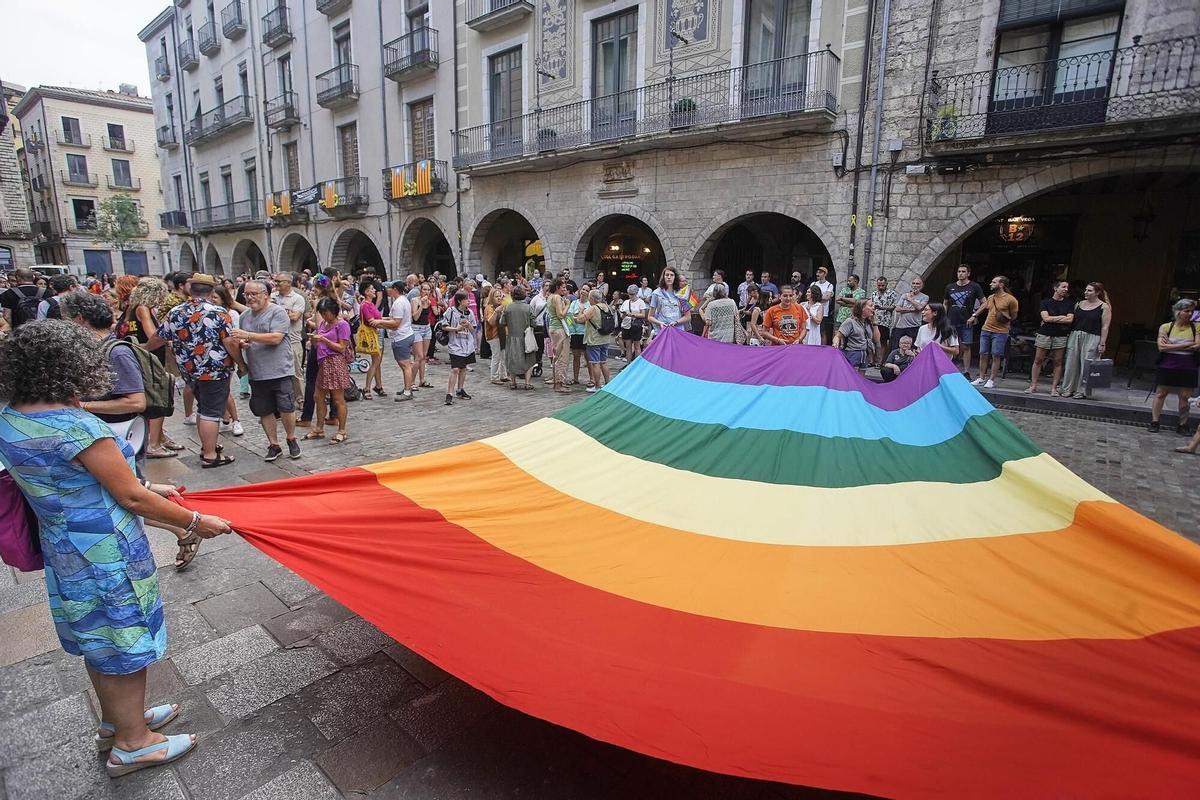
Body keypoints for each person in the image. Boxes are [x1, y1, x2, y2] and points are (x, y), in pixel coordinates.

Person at [0, 320, 233, 777]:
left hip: (65, 548)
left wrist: (149, 487)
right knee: (124, 641)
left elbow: (95, 482)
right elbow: (127, 497)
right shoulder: (76, 426)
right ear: (69, 367)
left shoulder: (12, 418)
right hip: (107, 551)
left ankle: (117, 722)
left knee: (98, 640)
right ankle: (133, 744)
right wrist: (193, 522)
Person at [144, 274, 239, 469]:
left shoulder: (176, 312)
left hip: (189, 369)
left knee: (203, 407)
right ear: (212, 291)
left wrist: (142, 350)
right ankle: (210, 455)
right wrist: (241, 363)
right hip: (215, 370)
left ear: (191, 289)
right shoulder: (218, 312)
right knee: (211, 412)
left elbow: (158, 338)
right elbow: (229, 342)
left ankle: (207, 445)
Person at [62, 292, 149, 463]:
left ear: (79, 319)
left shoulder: (117, 353)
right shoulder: (92, 349)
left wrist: (82, 405)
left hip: (121, 435)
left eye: (66, 319)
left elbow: (137, 403)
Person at [230, 280, 302, 461]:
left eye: (254, 293)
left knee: (286, 407)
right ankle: (273, 444)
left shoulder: (277, 312)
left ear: (265, 294)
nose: (250, 297)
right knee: (264, 410)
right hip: (258, 371)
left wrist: (248, 335)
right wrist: (243, 343)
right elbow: (246, 340)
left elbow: (275, 338)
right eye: (247, 294)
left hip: (280, 369)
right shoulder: (245, 316)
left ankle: (291, 438)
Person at [121, 278, 182, 459]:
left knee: (153, 398)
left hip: (141, 356)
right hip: (150, 358)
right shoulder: (143, 308)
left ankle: (160, 437)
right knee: (157, 400)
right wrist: (170, 340)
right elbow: (152, 334)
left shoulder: (132, 307)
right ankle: (153, 443)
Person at [304, 297, 352, 443]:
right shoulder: (323, 324)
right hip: (323, 362)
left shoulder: (342, 325)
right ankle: (319, 428)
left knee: (338, 399)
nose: (325, 316)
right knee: (318, 396)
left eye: (327, 313)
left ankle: (342, 430)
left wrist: (324, 340)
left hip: (335, 362)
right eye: (323, 313)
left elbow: (341, 347)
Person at [1149, 299, 1199, 434]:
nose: (1190, 314)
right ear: (1178, 312)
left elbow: (1197, 346)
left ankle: (1182, 424)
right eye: (1186, 311)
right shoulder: (1166, 327)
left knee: (1184, 396)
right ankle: (1155, 421)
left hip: (1189, 366)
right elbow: (1161, 347)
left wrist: (1170, 346)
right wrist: (1186, 344)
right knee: (1161, 393)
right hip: (1168, 365)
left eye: (1191, 311)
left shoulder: (1196, 327)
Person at [1060, 282, 1112, 399]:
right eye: (1086, 290)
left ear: (1097, 293)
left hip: (1092, 337)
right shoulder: (1079, 304)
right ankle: (1068, 389)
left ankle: (1081, 390)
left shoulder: (1104, 307)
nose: (1086, 292)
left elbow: (1105, 326)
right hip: (1076, 334)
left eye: (1089, 291)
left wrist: (1102, 343)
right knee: (1071, 362)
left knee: (1087, 364)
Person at [969, 275, 1019, 390]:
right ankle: (981, 377)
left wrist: (1006, 317)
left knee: (996, 355)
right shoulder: (991, 297)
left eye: (994, 282)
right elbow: (984, 307)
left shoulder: (1011, 299)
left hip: (1001, 331)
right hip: (986, 328)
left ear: (1001, 284)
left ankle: (991, 379)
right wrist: (974, 316)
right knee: (983, 353)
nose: (991, 284)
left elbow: (1014, 316)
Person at [1026, 280, 1074, 395]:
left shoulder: (1069, 304)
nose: (1066, 289)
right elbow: (1045, 318)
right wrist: (1061, 318)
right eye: (1063, 287)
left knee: (1058, 361)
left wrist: (1052, 318)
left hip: (1060, 335)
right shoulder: (1045, 302)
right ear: (1055, 288)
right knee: (1038, 359)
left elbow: (1070, 319)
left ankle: (1054, 388)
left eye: (1067, 287)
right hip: (1045, 333)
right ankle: (1033, 385)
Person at [373, 281, 416, 402]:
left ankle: (408, 391)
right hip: (406, 334)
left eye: (389, 288)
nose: (387, 290)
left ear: (395, 289)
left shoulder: (398, 303)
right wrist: (382, 319)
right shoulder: (403, 300)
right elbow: (394, 319)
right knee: (405, 366)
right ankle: (407, 387)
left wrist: (379, 323)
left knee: (405, 365)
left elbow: (395, 323)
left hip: (401, 336)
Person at [212, 285, 245, 438]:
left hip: (226, 356)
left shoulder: (231, 314)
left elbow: (234, 338)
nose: (212, 300)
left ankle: (235, 420)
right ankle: (225, 418)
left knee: (225, 390)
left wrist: (239, 360)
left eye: (215, 297)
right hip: (210, 357)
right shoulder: (208, 312)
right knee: (218, 391)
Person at [272, 272, 307, 405]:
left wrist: (277, 309)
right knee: (278, 373)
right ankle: (283, 401)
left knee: (297, 372)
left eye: (279, 281)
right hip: (276, 340)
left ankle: (301, 399)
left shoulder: (297, 298)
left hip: (293, 339)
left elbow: (294, 317)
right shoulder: (272, 296)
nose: (276, 284)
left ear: (288, 282)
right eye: (276, 281)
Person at [944, 264, 985, 378]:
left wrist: (974, 316)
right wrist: (944, 317)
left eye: (963, 271)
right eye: (959, 271)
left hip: (966, 321)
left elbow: (985, 302)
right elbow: (945, 303)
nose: (960, 273)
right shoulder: (950, 287)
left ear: (968, 273)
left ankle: (966, 371)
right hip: (951, 321)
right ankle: (947, 368)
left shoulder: (974, 286)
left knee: (966, 346)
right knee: (949, 345)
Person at [440, 290, 477, 405]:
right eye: (466, 299)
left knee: (463, 367)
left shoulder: (469, 312)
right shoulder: (450, 311)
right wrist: (456, 328)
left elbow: (473, 329)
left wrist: (468, 325)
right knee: (455, 368)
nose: (468, 301)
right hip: (455, 344)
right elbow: (444, 326)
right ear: (460, 301)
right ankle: (449, 393)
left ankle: (460, 389)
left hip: (467, 344)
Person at [575, 288, 615, 392]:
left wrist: (580, 311)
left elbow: (580, 320)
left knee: (595, 363)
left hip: (594, 339)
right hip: (605, 338)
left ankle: (597, 386)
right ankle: (607, 383)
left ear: (592, 298)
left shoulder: (593, 308)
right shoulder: (608, 307)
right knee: (604, 362)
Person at [499, 287, 537, 390]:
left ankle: (513, 382)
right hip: (526, 337)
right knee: (528, 359)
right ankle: (527, 383)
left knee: (512, 359)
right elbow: (534, 323)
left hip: (512, 337)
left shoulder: (507, 307)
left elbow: (502, 322)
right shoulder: (528, 307)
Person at [355, 282, 385, 399]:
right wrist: (389, 323)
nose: (374, 291)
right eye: (372, 289)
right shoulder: (365, 305)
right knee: (376, 362)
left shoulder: (370, 304)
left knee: (377, 362)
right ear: (366, 292)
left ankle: (378, 385)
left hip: (377, 334)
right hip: (372, 335)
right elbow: (371, 321)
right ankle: (367, 388)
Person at [410, 282, 439, 390]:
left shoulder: (430, 301)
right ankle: (411, 381)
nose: (426, 292)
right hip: (416, 328)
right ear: (420, 290)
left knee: (424, 356)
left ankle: (422, 380)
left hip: (426, 328)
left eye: (428, 290)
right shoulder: (415, 300)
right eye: (424, 289)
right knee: (419, 356)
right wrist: (422, 305)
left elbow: (435, 312)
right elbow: (415, 317)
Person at [834, 299, 878, 369]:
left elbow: (876, 340)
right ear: (862, 308)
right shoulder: (850, 321)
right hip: (853, 353)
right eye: (870, 306)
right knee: (852, 377)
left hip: (865, 354)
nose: (873, 308)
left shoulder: (867, 323)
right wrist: (835, 343)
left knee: (860, 378)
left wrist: (874, 322)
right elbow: (838, 336)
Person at [647, 268, 690, 338]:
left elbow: (688, 317)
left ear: (675, 277)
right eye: (667, 275)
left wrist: (676, 322)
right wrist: (660, 323)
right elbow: (650, 317)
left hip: (678, 331)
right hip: (662, 332)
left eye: (672, 275)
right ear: (663, 277)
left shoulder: (681, 294)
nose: (669, 277)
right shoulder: (656, 293)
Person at [547, 279, 572, 393]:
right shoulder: (556, 297)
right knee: (562, 356)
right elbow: (561, 314)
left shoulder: (550, 296)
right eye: (563, 287)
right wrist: (567, 305)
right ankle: (559, 383)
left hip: (553, 328)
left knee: (556, 355)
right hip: (559, 329)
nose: (564, 289)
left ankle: (557, 381)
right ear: (557, 287)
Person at [892, 277, 928, 349]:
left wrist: (910, 299)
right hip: (901, 326)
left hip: (914, 326)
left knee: (913, 348)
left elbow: (920, 308)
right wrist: (912, 309)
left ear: (922, 286)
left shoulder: (925, 297)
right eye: (913, 283)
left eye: (917, 284)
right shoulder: (904, 295)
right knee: (896, 348)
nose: (915, 285)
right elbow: (897, 309)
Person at [566, 283, 591, 384]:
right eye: (583, 289)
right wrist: (579, 317)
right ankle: (575, 378)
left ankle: (591, 379)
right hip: (575, 333)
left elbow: (587, 320)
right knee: (576, 357)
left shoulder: (590, 305)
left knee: (588, 358)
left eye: (586, 290)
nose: (583, 291)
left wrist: (578, 317)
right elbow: (569, 318)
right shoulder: (574, 303)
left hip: (585, 333)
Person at [483, 286, 509, 385]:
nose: (498, 298)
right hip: (493, 335)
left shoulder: (503, 305)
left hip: (503, 334)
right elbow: (491, 322)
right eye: (496, 296)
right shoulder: (489, 307)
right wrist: (497, 311)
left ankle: (503, 375)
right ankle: (494, 376)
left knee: (503, 356)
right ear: (491, 297)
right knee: (496, 356)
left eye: (500, 296)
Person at [870, 277, 897, 365]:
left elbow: (893, 307)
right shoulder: (874, 294)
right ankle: (872, 360)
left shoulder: (891, 293)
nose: (881, 287)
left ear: (886, 284)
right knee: (872, 340)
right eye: (879, 285)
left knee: (883, 341)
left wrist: (881, 307)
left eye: (882, 285)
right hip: (874, 320)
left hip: (885, 321)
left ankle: (881, 361)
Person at [810, 265, 835, 344]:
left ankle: (823, 348)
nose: (817, 274)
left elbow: (826, 298)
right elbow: (811, 296)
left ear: (825, 274)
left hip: (823, 312)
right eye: (817, 272)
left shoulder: (829, 285)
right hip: (813, 310)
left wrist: (815, 297)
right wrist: (822, 296)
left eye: (820, 272)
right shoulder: (813, 284)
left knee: (822, 331)